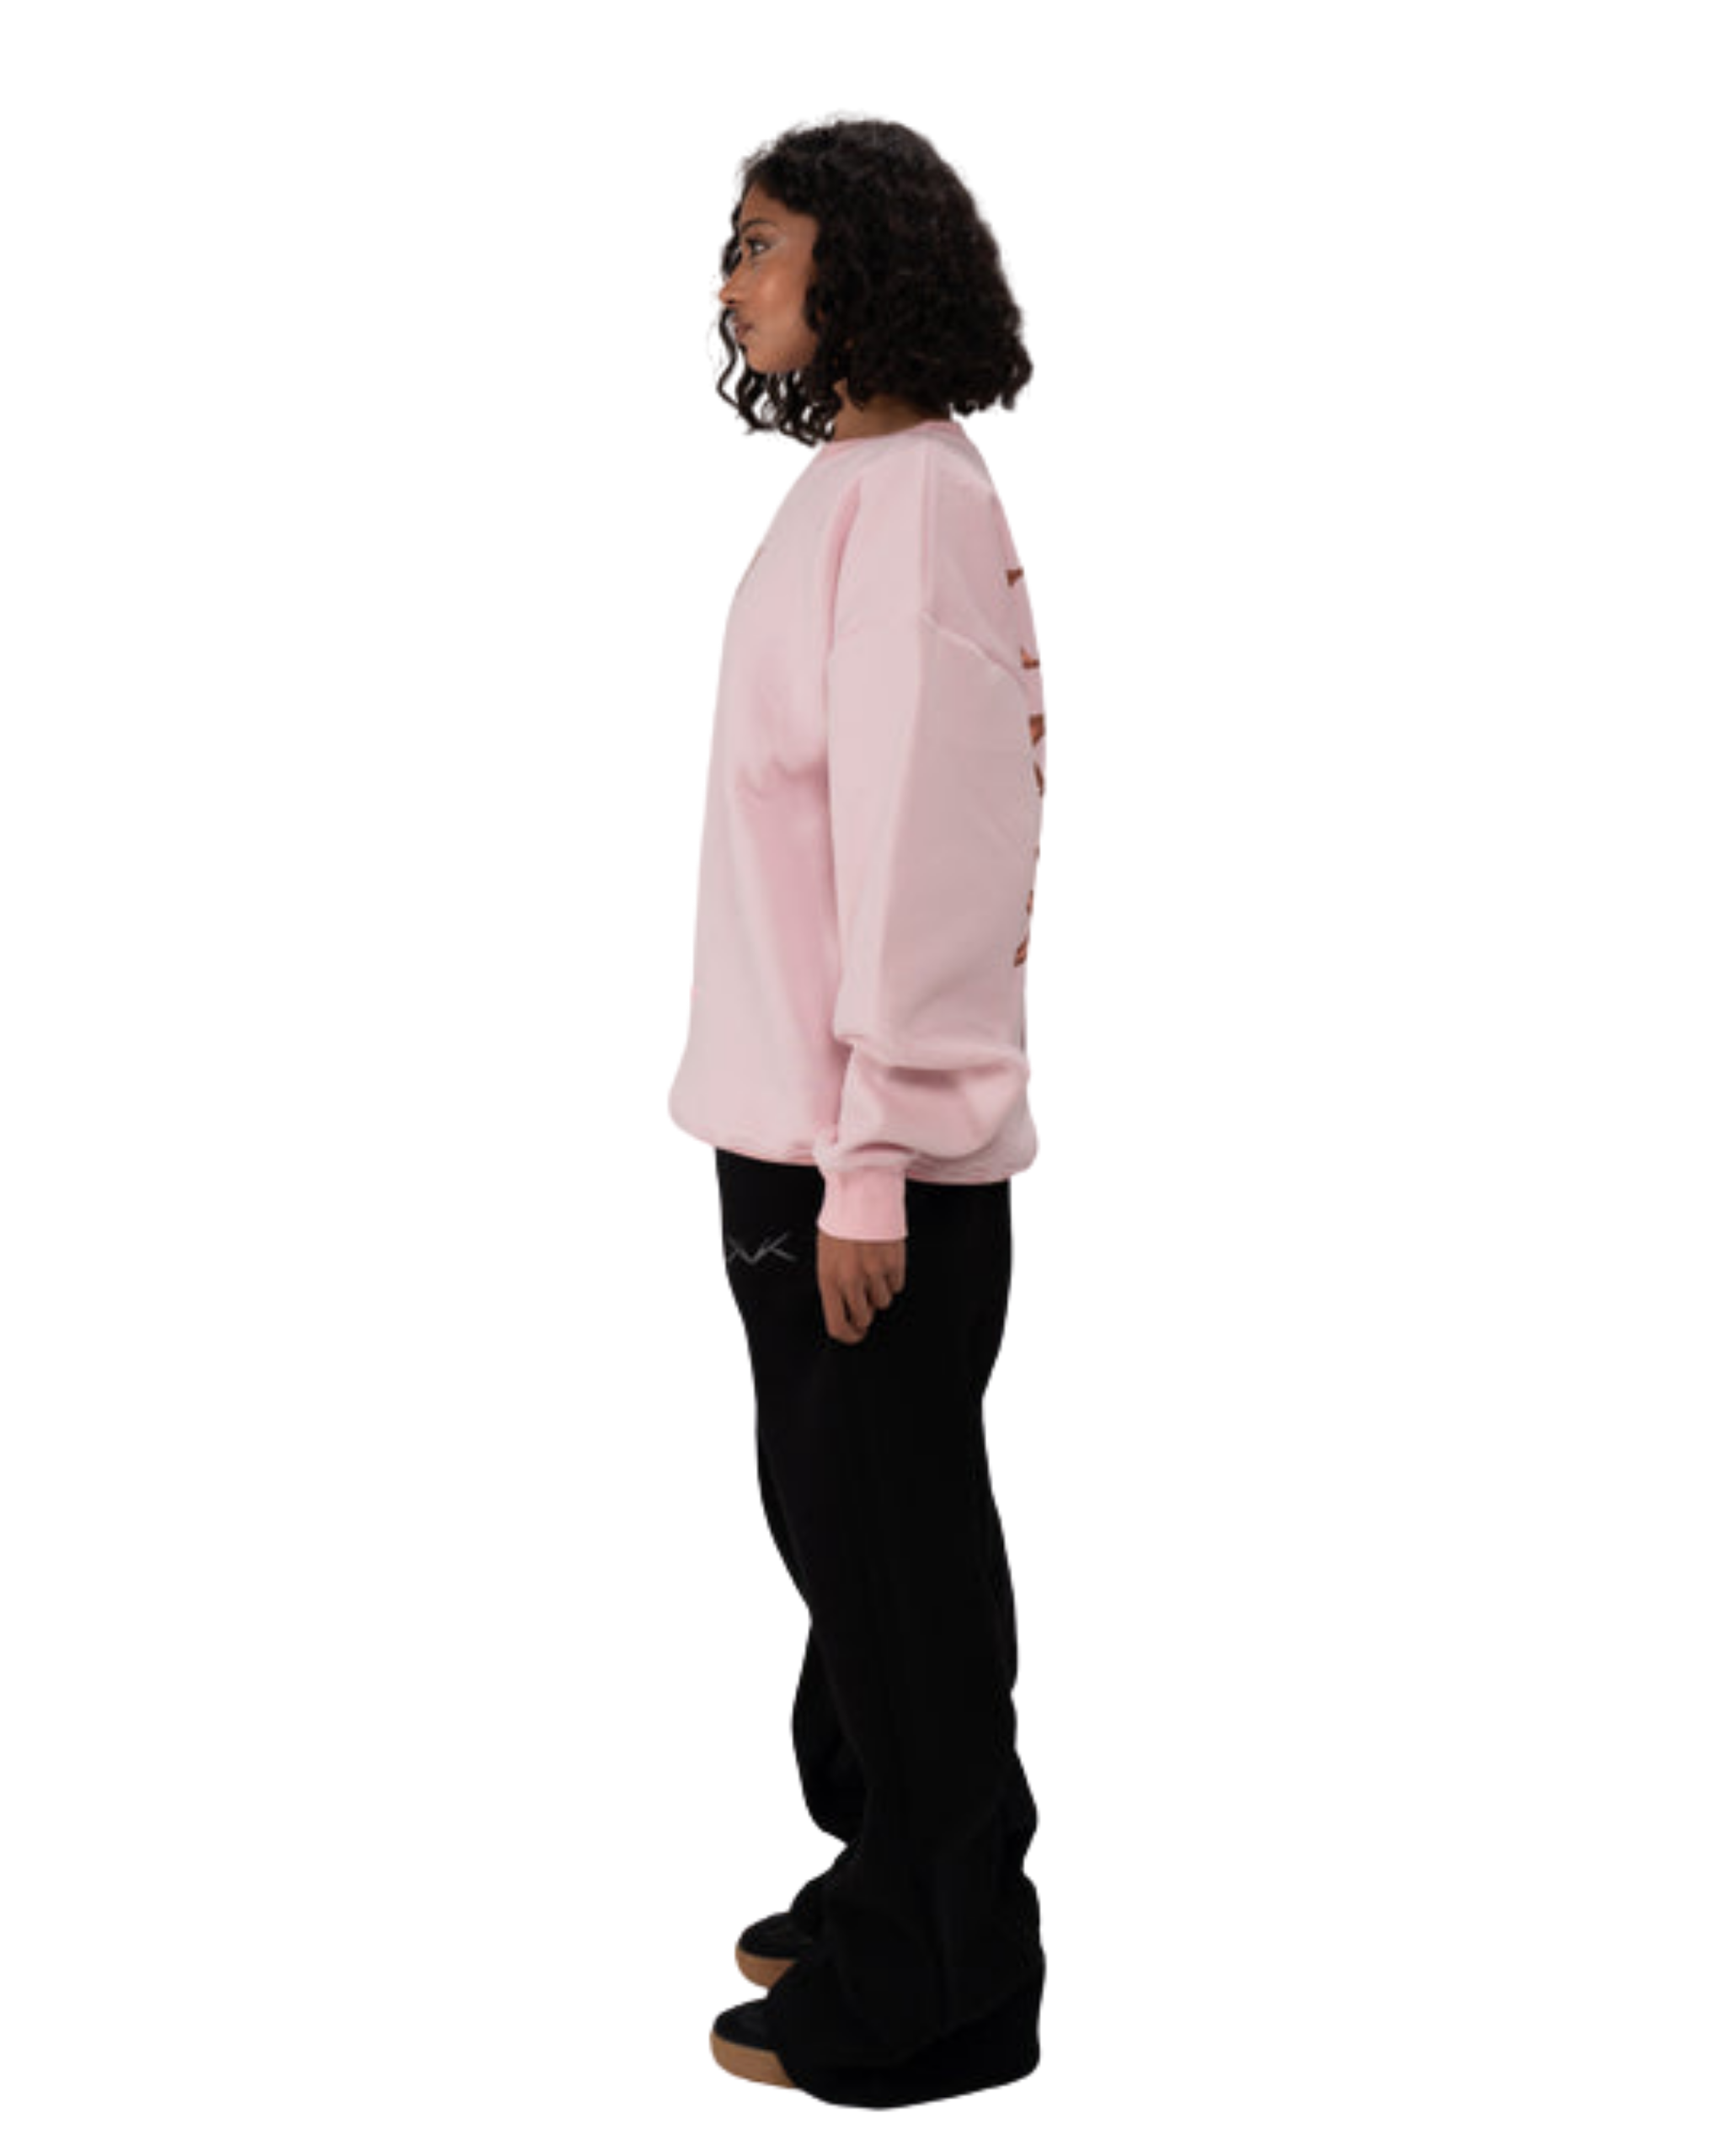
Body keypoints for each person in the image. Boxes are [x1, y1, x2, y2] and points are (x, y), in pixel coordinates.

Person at [666, 115, 1050, 2110]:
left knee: (899, 1560)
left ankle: (949, 1976)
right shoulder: (857, 488)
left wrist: (875, 1153)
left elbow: (927, 854)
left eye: (761, 243)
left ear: (861, 265)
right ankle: (905, 1867)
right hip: (798, 1131)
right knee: (855, 1548)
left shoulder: (908, 515)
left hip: (855, 1159)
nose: (732, 280)